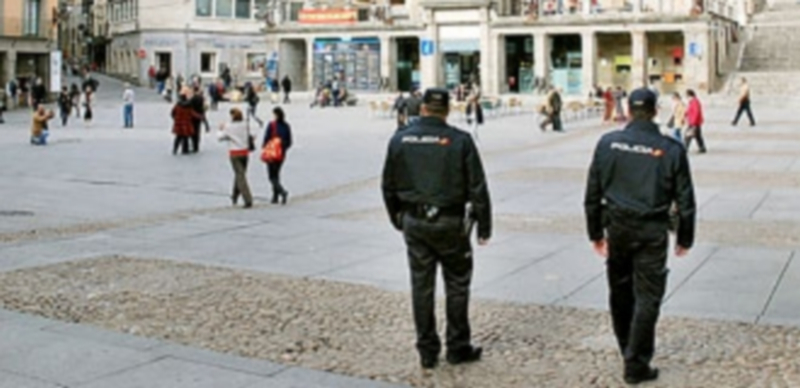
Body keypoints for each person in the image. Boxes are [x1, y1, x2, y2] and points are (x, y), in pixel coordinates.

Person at [584, 87, 696, 385]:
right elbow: (685, 199)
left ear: (630, 110)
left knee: (620, 293)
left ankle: (628, 350)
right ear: (656, 110)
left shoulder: (607, 143)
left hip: (617, 228)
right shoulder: (670, 148)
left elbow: (592, 192)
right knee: (648, 296)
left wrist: (595, 232)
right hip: (651, 230)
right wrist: (685, 237)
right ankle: (635, 361)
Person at [381, 88, 491, 370]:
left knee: (421, 285)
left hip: (414, 221)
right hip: (451, 223)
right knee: (457, 284)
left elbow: (388, 184)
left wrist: (398, 218)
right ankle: (457, 346)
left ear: (423, 109)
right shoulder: (460, 140)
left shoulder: (400, 139)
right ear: (448, 110)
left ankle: (427, 350)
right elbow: (477, 186)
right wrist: (483, 226)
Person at [218, 108, 254, 208]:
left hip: (235, 153)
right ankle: (234, 195)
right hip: (245, 152)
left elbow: (220, 137)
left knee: (240, 176)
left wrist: (221, 129)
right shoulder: (245, 125)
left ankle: (247, 199)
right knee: (240, 174)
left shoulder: (229, 127)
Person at [263, 107, 292, 204]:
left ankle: (282, 192)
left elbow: (266, 139)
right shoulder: (286, 126)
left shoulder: (271, 125)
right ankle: (275, 196)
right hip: (281, 154)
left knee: (271, 176)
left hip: (272, 153)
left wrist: (266, 147)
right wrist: (283, 148)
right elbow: (289, 141)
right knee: (277, 174)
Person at [171, 87, 200, 155]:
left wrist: (176, 119)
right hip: (186, 123)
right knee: (185, 137)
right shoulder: (188, 106)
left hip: (178, 123)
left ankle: (175, 149)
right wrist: (200, 117)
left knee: (178, 137)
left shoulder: (178, 105)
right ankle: (185, 150)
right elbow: (193, 114)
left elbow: (172, 113)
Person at [684, 89, 707, 154]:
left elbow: (696, 112)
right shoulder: (692, 102)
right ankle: (702, 148)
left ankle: (685, 148)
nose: (686, 98)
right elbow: (690, 111)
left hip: (694, 122)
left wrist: (693, 122)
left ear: (690, 95)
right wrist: (685, 114)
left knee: (688, 136)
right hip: (695, 122)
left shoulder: (695, 102)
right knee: (698, 136)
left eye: (687, 96)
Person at [189, 86, 209, 153]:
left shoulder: (192, 99)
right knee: (197, 131)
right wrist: (206, 124)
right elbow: (204, 108)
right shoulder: (201, 98)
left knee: (192, 132)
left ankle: (194, 145)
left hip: (192, 116)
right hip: (199, 116)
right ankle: (196, 146)